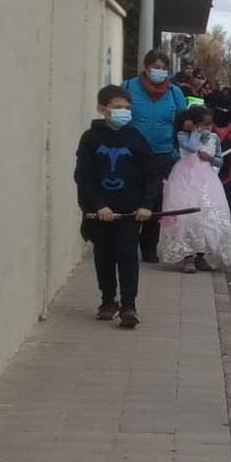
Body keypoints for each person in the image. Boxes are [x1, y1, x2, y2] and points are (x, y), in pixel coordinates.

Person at [75, 85, 155, 328]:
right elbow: (83, 176)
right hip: (101, 213)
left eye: (127, 108)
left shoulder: (136, 138)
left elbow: (151, 174)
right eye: (117, 108)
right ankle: (108, 300)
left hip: (130, 212)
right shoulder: (91, 138)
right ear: (103, 109)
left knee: (128, 257)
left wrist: (146, 205)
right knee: (105, 256)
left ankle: (129, 305)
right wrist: (98, 205)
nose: (123, 112)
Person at [125, 48, 189, 264]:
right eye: (156, 67)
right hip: (133, 153)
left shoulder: (174, 93)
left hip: (163, 154)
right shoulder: (129, 87)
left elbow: (183, 123)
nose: (160, 72)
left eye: (164, 68)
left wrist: (176, 150)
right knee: (131, 197)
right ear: (146, 67)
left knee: (157, 201)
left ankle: (149, 247)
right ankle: (127, 244)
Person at [158, 107, 231, 272]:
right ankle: (188, 256)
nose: (207, 128)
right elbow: (191, 148)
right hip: (185, 180)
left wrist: (211, 158)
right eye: (203, 124)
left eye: (209, 124)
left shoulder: (214, 138)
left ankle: (201, 255)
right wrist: (195, 132)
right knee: (186, 217)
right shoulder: (182, 136)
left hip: (207, 181)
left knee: (206, 217)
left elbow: (220, 161)